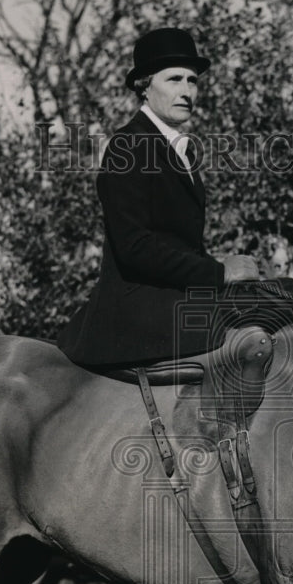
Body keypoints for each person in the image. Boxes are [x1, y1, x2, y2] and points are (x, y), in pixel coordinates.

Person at [57, 27, 261, 368]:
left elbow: (176, 244)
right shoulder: (128, 146)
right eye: (174, 80)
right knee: (254, 330)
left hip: (174, 297)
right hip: (138, 307)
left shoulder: (181, 149)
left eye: (192, 81)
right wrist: (218, 272)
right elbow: (135, 247)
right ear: (145, 87)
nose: (187, 92)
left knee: (287, 299)